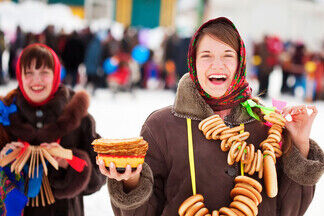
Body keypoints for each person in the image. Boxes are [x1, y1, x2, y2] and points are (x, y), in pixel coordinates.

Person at [98, 17, 324, 215]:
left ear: (240, 63)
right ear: (193, 63)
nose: (218, 65)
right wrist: (129, 181)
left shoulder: (266, 126)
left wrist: (300, 143)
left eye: (228, 55)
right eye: (206, 55)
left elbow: (289, 210)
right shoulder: (160, 127)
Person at [0, 43, 105, 216]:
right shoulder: (4, 116)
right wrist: (4, 160)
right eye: (29, 73)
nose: (36, 80)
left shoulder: (80, 118)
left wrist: (70, 160)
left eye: (44, 72)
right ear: (20, 76)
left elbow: (98, 178)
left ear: (56, 74)